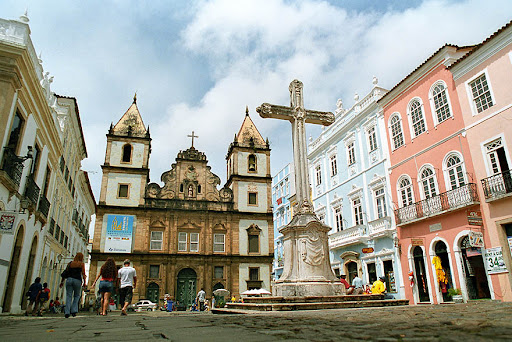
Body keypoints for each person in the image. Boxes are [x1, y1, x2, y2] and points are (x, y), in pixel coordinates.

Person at [60, 252, 86, 318]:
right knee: (77, 296)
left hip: (69, 279)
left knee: (68, 296)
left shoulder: (70, 263)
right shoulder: (81, 264)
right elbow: (83, 274)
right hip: (77, 280)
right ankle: (74, 310)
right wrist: (85, 282)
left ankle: (67, 312)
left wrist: (62, 282)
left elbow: (65, 272)